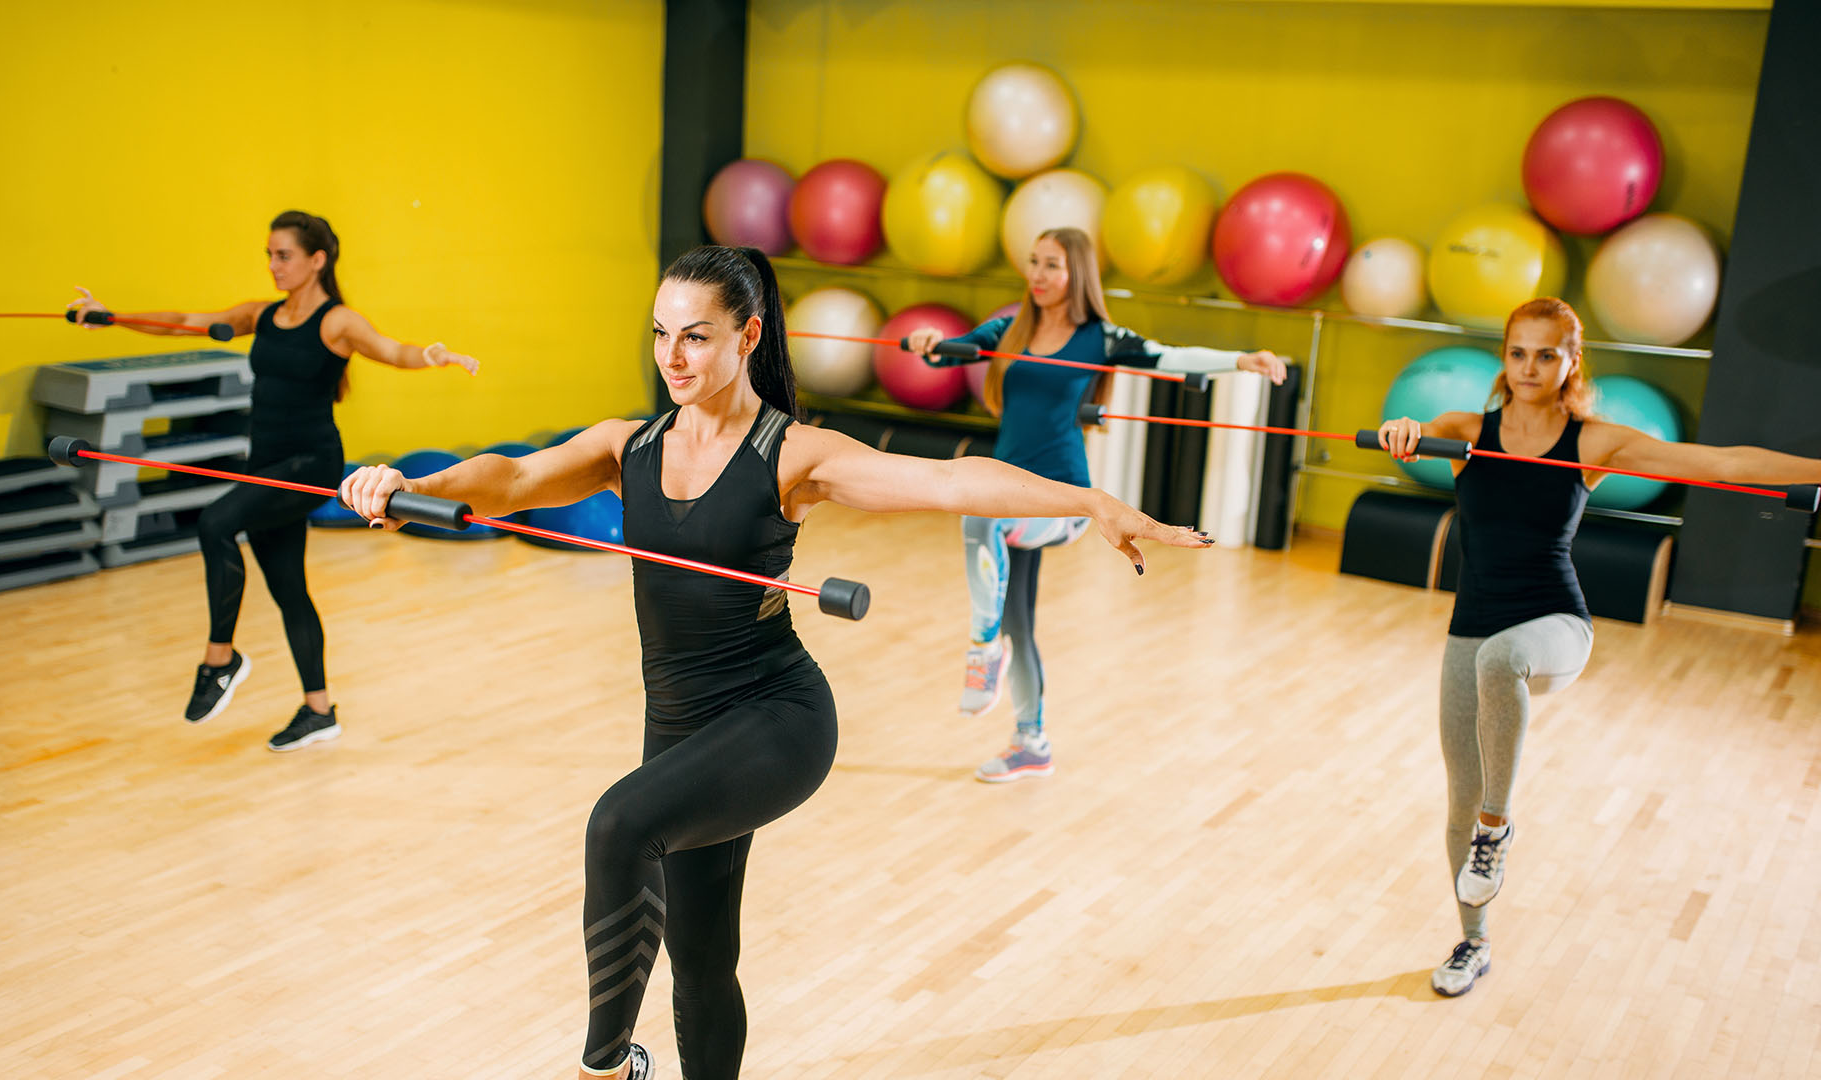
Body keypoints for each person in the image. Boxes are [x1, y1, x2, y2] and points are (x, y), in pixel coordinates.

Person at [339, 244, 1210, 1079]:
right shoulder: (627, 447)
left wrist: (1092, 500)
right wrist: (409, 491)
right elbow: (512, 479)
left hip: (775, 719)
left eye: (695, 335)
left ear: (747, 336)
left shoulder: (791, 455)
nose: (672, 356)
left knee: (617, 826)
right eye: (659, 333)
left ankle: (603, 1068)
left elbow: (949, 482)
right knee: (703, 958)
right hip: (677, 725)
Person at [1376, 296, 1821, 997]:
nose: (1529, 367)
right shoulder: (1464, 433)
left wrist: (1818, 468)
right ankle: (1473, 942)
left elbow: (1721, 459)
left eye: (1546, 353)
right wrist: (1401, 430)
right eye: (1518, 352)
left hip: (1555, 624)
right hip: (1473, 623)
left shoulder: (1591, 442)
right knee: (1459, 799)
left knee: (1503, 673)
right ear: (1505, 357)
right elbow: (1413, 428)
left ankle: (1500, 829)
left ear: (1570, 361)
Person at [71, 209, 479, 751]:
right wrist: (112, 317)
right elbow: (186, 320)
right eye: (268, 254)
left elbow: (392, 350)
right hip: (263, 462)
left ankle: (221, 659)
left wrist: (432, 355)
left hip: (308, 463)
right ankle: (319, 710)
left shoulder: (337, 321)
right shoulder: (263, 315)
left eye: (283, 255)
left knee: (215, 522)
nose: (273, 265)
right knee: (289, 588)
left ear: (317, 260)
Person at [904, 226, 1287, 781]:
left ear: (1076, 274)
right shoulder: (1009, 330)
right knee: (1019, 620)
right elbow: (949, 353)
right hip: (1011, 494)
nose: (1038, 274)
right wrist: (926, 341)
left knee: (979, 517)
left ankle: (982, 651)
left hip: (1063, 502)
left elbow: (1170, 356)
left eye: (1052, 265)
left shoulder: (1100, 338)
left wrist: (1240, 360)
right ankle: (1030, 740)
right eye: (1034, 262)